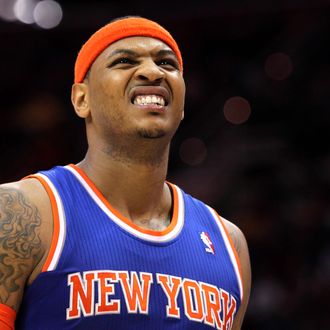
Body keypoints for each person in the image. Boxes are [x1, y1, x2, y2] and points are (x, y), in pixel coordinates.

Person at [0, 16, 251, 329]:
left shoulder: (230, 244)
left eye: (167, 63)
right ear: (81, 98)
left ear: (182, 104)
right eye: (124, 61)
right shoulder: (20, 212)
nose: (152, 71)